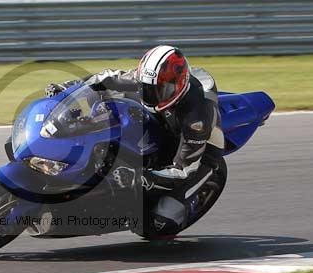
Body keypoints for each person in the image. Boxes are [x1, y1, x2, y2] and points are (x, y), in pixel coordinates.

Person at [45, 45, 224, 237]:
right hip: (162, 120)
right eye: (147, 88)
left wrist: (142, 177)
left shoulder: (196, 120)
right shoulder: (147, 82)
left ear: (177, 87)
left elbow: (183, 171)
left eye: (160, 90)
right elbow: (106, 78)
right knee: (108, 108)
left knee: (156, 223)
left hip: (195, 150)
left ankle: (176, 207)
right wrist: (68, 88)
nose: (151, 94)